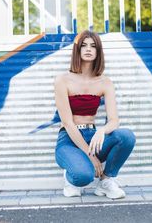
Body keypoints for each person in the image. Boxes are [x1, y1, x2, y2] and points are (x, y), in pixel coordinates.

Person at [54, 30, 136, 199]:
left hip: (93, 137)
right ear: (77, 50)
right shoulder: (62, 80)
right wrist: (91, 156)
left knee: (126, 137)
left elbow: (114, 120)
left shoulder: (105, 82)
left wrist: (102, 131)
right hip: (69, 139)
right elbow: (68, 123)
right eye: (84, 45)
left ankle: (105, 182)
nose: (88, 49)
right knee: (83, 176)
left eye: (93, 46)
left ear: (98, 51)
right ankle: (71, 178)